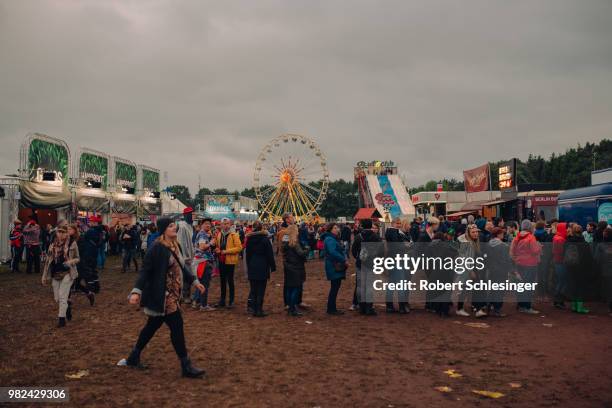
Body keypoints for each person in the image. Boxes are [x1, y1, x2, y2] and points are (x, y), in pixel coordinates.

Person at [120, 217, 206, 378]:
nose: (175, 228)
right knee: (177, 327)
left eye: (174, 225)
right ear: (164, 229)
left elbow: (182, 266)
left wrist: (194, 281)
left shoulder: (175, 245)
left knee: (151, 326)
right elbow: (145, 271)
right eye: (171, 226)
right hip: (163, 297)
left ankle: (133, 357)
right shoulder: (157, 248)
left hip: (173, 294)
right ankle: (185, 365)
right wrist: (136, 291)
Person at [41, 225, 80, 328]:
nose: (61, 234)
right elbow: (47, 261)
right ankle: (67, 306)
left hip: (68, 273)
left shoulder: (72, 243)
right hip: (55, 274)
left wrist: (70, 261)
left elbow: (77, 258)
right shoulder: (52, 244)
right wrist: (44, 276)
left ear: (67, 233)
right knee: (57, 298)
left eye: (63, 232)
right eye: (59, 232)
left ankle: (61, 319)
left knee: (62, 297)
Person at [510, 220, 543, 314]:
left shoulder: (517, 236)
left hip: (519, 264)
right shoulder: (531, 237)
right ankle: (526, 307)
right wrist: (539, 247)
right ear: (529, 227)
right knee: (528, 286)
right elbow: (535, 251)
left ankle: (520, 305)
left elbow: (512, 251)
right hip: (530, 264)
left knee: (520, 285)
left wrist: (516, 260)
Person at [351, 219, 382, 316]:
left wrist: (358, 258)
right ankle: (369, 307)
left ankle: (361, 307)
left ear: (362, 225)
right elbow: (380, 252)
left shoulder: (358, 236)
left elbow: (353, 250)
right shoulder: (376, 237)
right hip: (371, 264)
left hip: (360, 263)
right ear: (370, 225)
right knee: (369, 286)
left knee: (360, 286)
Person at [245, 221, 276, 317]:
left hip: (253, 264)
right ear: (262, 228)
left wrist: (249, 265)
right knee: (261, 289)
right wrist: (273, 266)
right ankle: (259, 309)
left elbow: (247, 255)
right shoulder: (265, 239)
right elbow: (270, 254)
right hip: (263, 265)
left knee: (253, 289)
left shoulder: (249, 240)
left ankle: (254, 309)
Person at [564, 224, 594, 314]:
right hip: (580, 267)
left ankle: (574, 306)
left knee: (573, 285)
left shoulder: (567, 241)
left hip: (570, 266)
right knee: (580, 287)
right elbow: (588, 258)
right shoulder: (584, 243)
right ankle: (580, 308)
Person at [456, 224, 484, 317]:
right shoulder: (467, 243)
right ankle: (459, 308)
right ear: (468, 233)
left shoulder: (474, 242)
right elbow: (464, 258)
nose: (476, 234)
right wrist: (470, 270)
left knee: (473, 288)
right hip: (467, 270)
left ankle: (475, 306)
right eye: (473, 232)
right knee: (464, 289)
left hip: (473, 268)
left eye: (477, 232)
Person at [484, 227, 512, 317]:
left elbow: (486, 258)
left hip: (491, 270)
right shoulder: (504, 246)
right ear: (499, 234)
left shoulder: (488, 244)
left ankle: (489, 305)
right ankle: (497, 309)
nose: (503, 235)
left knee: (492, 288)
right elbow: (506, 260)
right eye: (502, 233)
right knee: (500, 290)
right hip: (501, 271)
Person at [215, 217, 242, 308]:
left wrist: (226, 251)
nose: (225, 225)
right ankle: (222, 300)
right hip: (221, 260)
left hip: (230, 261)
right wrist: (217, 249)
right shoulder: (219, 235)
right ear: (221, 225)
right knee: (222, 281)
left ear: (230, 224)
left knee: (230, 281)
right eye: (224, 223)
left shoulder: (234, 234)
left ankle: (231, 301)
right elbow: (217, 245)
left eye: (227, 223)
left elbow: (239, 248)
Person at [385, 217, 410, 314]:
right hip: (397, 260)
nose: (399, 225)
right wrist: (405, 245)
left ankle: (390, 306)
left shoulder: (391, 232)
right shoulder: (393, 232)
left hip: (393, 260)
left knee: (392, 283)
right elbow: (397, 246)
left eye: (400, 223)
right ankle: (402, 306)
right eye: (397, 223)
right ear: (393, 223)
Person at [322, 223, 348, 315]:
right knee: (334, 288)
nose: (337, 229)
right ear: (330, 229)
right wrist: (343, 260)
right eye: (335, 228)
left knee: (335, 287)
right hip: (334, 266)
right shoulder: (330, 239)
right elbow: (333, 252)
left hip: (334, 265)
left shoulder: (332, 238)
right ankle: (331, 309)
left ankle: (332, 307)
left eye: (338, 228)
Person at [282, 224, 307, 317]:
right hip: (296, 267)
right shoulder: (294, 242)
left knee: (289, 288)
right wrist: (307, 249)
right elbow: (301, 253)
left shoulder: (285, 241)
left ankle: (289, 307)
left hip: (288, 266)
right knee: (296, 288)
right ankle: (293, 309)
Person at [192, 219, 215, 311]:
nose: (208, 225)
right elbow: (202, 247)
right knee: (205, 283)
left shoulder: (202, 233)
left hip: (201, 261)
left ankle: (197, 302)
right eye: (206, 224)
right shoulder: (202, 234)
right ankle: (204, 305)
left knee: (201, 283)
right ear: (201, 225)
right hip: (203, 261)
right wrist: (211, 243)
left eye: (209, 224)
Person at [176, 207, 196, 303]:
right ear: (187, 215)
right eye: (191, 214)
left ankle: (187, 294)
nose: (193, 216)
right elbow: (181, 242)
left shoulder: (190, 226)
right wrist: (185, 256)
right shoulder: (183, 226)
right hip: (185, 256)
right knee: (186, 276)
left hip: (190, 255)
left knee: (189, 275)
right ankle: (185, 295)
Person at [594, 227, 612, 316]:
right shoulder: (600, 245)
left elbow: (597, 259)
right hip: (606, 270)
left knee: (609, 290)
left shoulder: (600, 245)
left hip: (606, 271)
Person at [552, 222, 569, 309]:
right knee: (562, 282)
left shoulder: (557, 237)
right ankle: (558, 300)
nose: (567, 229)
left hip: (557, 262)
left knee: (560, 281)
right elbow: (563, 252)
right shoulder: (561, 239)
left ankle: (558, 300)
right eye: (566, 228)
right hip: (561, 262)